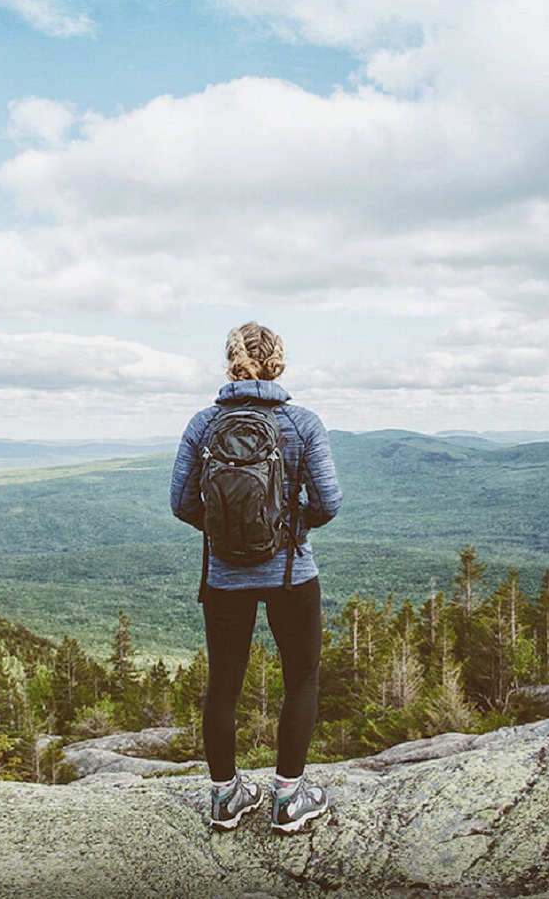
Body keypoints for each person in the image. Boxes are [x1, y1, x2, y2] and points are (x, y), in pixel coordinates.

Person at [170, 321, 341, 834]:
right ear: (279, 362)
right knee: (302, 680)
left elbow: (181, 503)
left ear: (230, 363)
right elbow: (329, 503)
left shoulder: (203, 424)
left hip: (225, 576)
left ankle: (225, 798)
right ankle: (289, 799)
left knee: (223, 686)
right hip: (292, 572)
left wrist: (227, 535)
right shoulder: (303, 423)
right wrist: (286, 529)